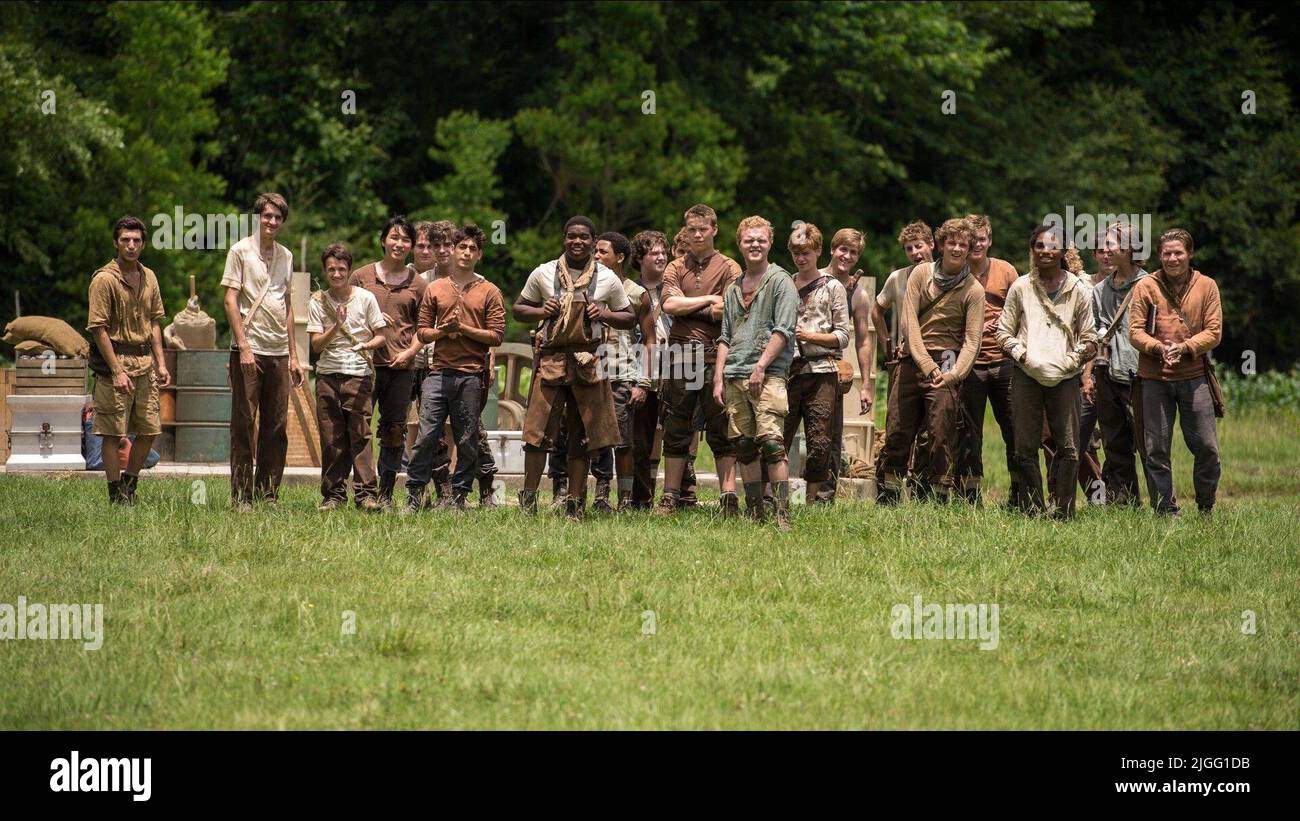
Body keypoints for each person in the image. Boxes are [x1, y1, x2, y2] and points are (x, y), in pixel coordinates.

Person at [514, 216, 635, 518]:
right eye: (571, 236)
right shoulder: (543, 273)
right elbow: (518, 309)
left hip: (587, 362)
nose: (577, 242)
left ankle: (575, 502)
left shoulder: (608, 278)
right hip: (552, 360)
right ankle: (528, 498)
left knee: (583, 435)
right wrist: (542, 311)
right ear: (564, 238)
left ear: (594, 242)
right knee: (537, 433)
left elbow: (629, 316)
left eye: (583, 237)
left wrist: (604, 313)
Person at [878, 218, 985, 503]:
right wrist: (926, 364)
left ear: (970, 248)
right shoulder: (920, 275)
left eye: (964, 244)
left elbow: (973, 341)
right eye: (952, 242)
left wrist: (954, 375)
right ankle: (888, 494)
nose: (958, 248)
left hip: (948, 363)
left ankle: (938, 498)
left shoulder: (974, 290)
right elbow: (908, 322)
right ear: (941, 244)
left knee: (941, 435)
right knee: (898, 430)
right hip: (913, 359)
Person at [996, 224, 1098, 518]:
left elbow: (1090, 337)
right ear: (1033, 250)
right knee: (1025, 446)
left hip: (1065, 378)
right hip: (1026, 374)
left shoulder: (1077, 290)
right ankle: (1032, 509)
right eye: (1039, 246)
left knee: (1068, 446)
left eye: (1051, 246)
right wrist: (1023, 356)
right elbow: (1004, 332)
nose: (1045, 251)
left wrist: (1071, 362)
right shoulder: (1021, 287)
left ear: (1064, 251)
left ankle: (1064, 512)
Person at [406, 224, 506, 511]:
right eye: (462, 247)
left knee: (467, 439)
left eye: (472, 248)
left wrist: (463, 328)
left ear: (479, 255)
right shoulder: (436, 288)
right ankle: (414, 494)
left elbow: (496, 335)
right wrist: (442, 333)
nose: (466, 252)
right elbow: (423, 331)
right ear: (453, 251)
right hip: (437, 373)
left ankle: (459, 497)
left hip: (471, 375)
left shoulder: (490, 291)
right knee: (426, 437)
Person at [1128, 228, 1223, 516]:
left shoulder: (1207, 286)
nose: (1172, 258)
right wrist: (1158, 348)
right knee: (1156, 449)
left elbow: (1214, 331)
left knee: (1207, 447)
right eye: (1167, 253)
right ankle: (1165, 510)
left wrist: (1185, 347)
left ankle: (1205, 505)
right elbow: (1134, 331)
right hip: (1154, 378)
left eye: (1178, 252)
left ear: (1189, 254)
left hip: (1195, 376)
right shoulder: (1146, 286)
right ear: (1160, 255)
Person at [656, 204, 743, 515]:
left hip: (714, 353)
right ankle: (669, 496)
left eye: (702, 229)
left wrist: (688, 306)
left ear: (714, 230)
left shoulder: (730, 267)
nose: (696, 234)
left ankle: (729, 497)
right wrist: (708, 299)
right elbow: (668, 305)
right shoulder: (675, 267)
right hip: (680, 354)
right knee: (676, 426)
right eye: (691, 229)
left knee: (722, 427)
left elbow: (729, 310)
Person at [715, 216, 799, 529]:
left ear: (769, 243)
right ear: (739, 244)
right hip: (734, 375)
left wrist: (761, 366)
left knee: (773, 443)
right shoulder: (733, 288)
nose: (755, 245)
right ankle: (754, 513)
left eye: (761, 239)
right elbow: (725, 335)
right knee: (745, 447)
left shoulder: (781, 281)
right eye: (749, 240)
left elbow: (784, 329)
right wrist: (717, 378)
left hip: (769, 374)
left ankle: (781, 514)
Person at [222, 192, 303, 511]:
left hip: (278, 351)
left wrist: (294, 355)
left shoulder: (286, 255)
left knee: (276, 425)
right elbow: (230, 300)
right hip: (249, 348)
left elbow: (287, 306)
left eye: (277, 217)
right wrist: (243, 347)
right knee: (243, 423)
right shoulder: (239, 251)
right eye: (266, 216)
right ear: (257, 218)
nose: (271, 222)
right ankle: (241, 496)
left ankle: (268, 493)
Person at [87, 215, 171, 505]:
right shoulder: (104, 279)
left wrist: (161, 363)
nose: (131, 245)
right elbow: (98, 329)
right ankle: (114, 494)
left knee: (149, 430)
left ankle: (129, 485)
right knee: (111, 432)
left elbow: (156, 322)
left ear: (143, 244)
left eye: (136, 240)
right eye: (125, 240)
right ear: (116, 242)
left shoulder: (149, 276)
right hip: (116, 363)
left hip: (145, 362)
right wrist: (116, 370)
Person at [352, 216, 427, 510]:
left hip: (401, 367)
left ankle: (384, 493)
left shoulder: (418, 284)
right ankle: (363, 492)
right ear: (383, 240)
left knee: (394, 429)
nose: (399, 244)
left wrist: (410, 352)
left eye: (405, 240)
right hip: (365, 365)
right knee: (360, 428)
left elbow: (425, 326)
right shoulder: (361, 276)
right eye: (394, 237)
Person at [306, 243, 388, 511]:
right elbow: (316, 345)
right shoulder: (317, 301)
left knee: (360, 436)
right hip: (328, 376)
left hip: (359, 375)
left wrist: (367, 345)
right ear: (325, 271)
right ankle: (333, 495)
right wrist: (337, 325)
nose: (337, 274)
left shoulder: (365, 298)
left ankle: (366, 496)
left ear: (349, 270)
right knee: (331, 438)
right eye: (331, 269)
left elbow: (381, 336)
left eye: (342, 269)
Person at [953, 214, 1020, 505]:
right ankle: (970, 495)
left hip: (1004, 360)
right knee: (968, 434)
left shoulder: (1005, 271)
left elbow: (1023, 310)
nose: (977, 244)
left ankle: (1020, 492)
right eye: (973, 240)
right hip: (969, 364)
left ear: (989, 241)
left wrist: (1003, 324)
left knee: (1014, 428)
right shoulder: (956, 272)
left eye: (982, 238)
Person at [783, 223, 851, 504]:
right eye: (796, 253)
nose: (801, 258)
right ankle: (775, 497)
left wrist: (810, 336)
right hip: (788, 370)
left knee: (820, 441)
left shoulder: (833, 287)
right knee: (779, 435)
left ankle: (814, 502)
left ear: (818, 251)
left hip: (822, 370)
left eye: (807, 253)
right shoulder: (784, 283)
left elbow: (843, 336)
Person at [871, 220, 936, 496]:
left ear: (931, 245)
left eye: (919, 246)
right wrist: (888, 344)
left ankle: (923, 490)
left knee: (931, 430)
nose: (914, 252)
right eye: (909, 249)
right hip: (906, 360)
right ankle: (890, 493)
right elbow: (877, 309)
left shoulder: (946, 275)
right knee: (898, 428)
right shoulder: (898, 278)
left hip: (938, 360)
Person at [1090, 222, 1149, 506]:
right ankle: (1125, 504)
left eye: (1112, 244)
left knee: (1150, 445)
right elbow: (1097, 326)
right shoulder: (1100, 289)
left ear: (1129, 248)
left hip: (1140, 374)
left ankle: (1164, 504)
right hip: (1106, 373)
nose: (1106, 250)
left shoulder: (1149, 286)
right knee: (1115, 444)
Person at [593, 231, 649, 511]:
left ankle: (626, 499)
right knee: (595, 440)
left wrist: (643, 382)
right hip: (590, 373)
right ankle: (601, 496)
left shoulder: (637, 294)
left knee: (624, 441)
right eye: (595, 251)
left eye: (602, 252)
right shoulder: (585, 287)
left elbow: (650, 342)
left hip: (622, 373)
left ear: (620, 257)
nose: (596, 256)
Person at [815, 227, 869, 503]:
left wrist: (867, 385)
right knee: (785, 431)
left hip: (831, 367)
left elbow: (862, 341)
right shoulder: (810, 277)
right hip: (797, 364)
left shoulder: (858, 295)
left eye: (853, 252)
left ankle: (823, 499)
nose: (846, 256)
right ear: (832, 250)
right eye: (842, 249)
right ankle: (777, 494)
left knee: (829, 436)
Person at [626, 230, 673, 509]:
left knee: (678, 436)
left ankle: (679, 497)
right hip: (640, 369)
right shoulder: (628, 291)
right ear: (640, 258)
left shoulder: (676, 287)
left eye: (663, 252)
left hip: (676, 367)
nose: (660, 256)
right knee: (639, 439)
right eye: (654, 252)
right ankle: (640, 498)